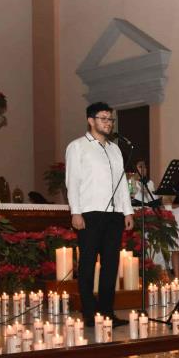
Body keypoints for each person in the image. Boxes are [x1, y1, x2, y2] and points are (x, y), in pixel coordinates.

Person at [65, 101, 133, 328]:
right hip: (89, 213)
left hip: (114, 215)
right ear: (91, 120)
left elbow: (122, 182)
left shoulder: (115, 149)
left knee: (111, 265)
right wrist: (76, 212)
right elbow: (72, 181)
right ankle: (89, 313)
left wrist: (127, 211)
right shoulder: (77, 147)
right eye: (103, 118)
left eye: (110, 119)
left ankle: (107, 312)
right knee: (86, 265)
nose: (108, 123)